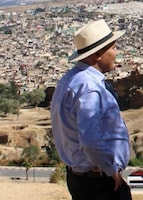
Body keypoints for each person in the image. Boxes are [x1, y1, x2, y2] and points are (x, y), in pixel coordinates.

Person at [51, 19, 132, 200]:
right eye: (113, 48)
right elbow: (89, 139)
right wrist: (111, 170)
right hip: (98, 182)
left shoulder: (69, 80)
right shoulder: (89, 88)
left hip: (79, 177)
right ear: (98, 55)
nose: (117, 53)